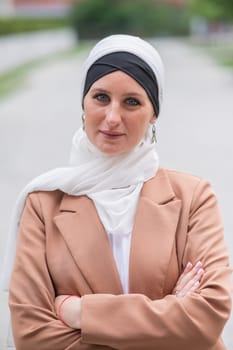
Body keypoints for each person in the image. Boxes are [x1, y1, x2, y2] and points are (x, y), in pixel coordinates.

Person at [1, 34, 232, 350]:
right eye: (100, 97)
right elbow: (32, 335)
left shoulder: (193, 197)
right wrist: (170, 321)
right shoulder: (43, 203)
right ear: (83, 103)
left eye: (132, 102)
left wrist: (82, 312)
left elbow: (207, 317)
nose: (112, 117)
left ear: (154, 113)